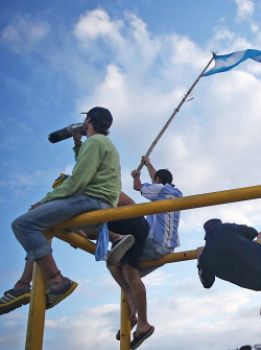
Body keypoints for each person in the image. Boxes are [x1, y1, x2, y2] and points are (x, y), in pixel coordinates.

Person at [1, 107, 121, 314]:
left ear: (89, 120)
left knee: (23, 224)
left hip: (92, 199)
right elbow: (86, 164)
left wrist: (45, 201)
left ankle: (57, 281)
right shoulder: (102, 144)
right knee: (40, 228)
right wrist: (76, 143)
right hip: (101, 201)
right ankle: (22, 285)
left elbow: (78, 181)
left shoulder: (95, 142)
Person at [106, 192, 155, 349]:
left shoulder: (105, 186)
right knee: (116, 265)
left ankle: (143, 323)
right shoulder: (98, 188)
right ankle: (136, 317)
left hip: (130, 225)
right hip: (129, 226)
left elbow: (130, 203)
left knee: (130, 274)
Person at [131, 156, 183, 276]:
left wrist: (136, 177)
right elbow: (157, 179)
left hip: (154, 244)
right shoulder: (177, 193)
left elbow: (137, 186)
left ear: (158, 179)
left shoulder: (159, 189)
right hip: (168, 249)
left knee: (122, 263)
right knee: (134, 275)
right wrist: (148, 164)